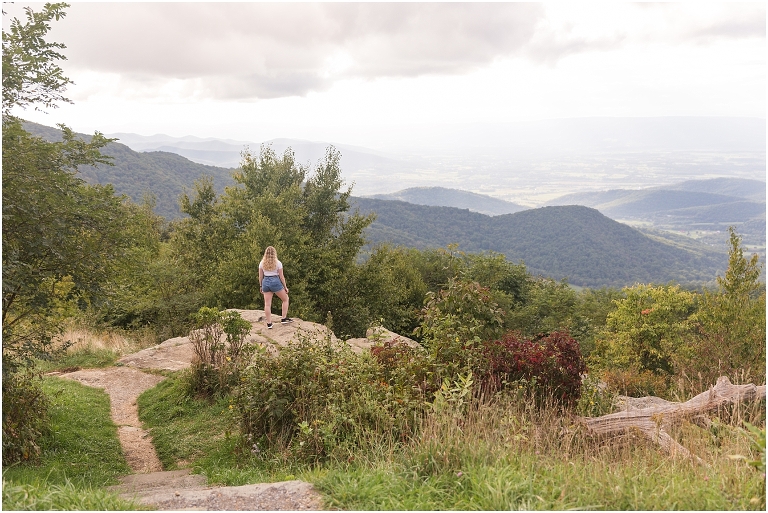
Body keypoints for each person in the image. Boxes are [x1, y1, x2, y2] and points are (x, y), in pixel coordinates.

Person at [258, 246, 293, 329]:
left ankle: (269, 323)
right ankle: (283, 318)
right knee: (285, 299)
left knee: (267, 304)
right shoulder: (278, 263)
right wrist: (285, 287)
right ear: (274, 253)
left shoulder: (262, 263)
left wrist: (261, 285)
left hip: (265, 281)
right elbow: (281, 276)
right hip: (275, 281)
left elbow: (260, 276)